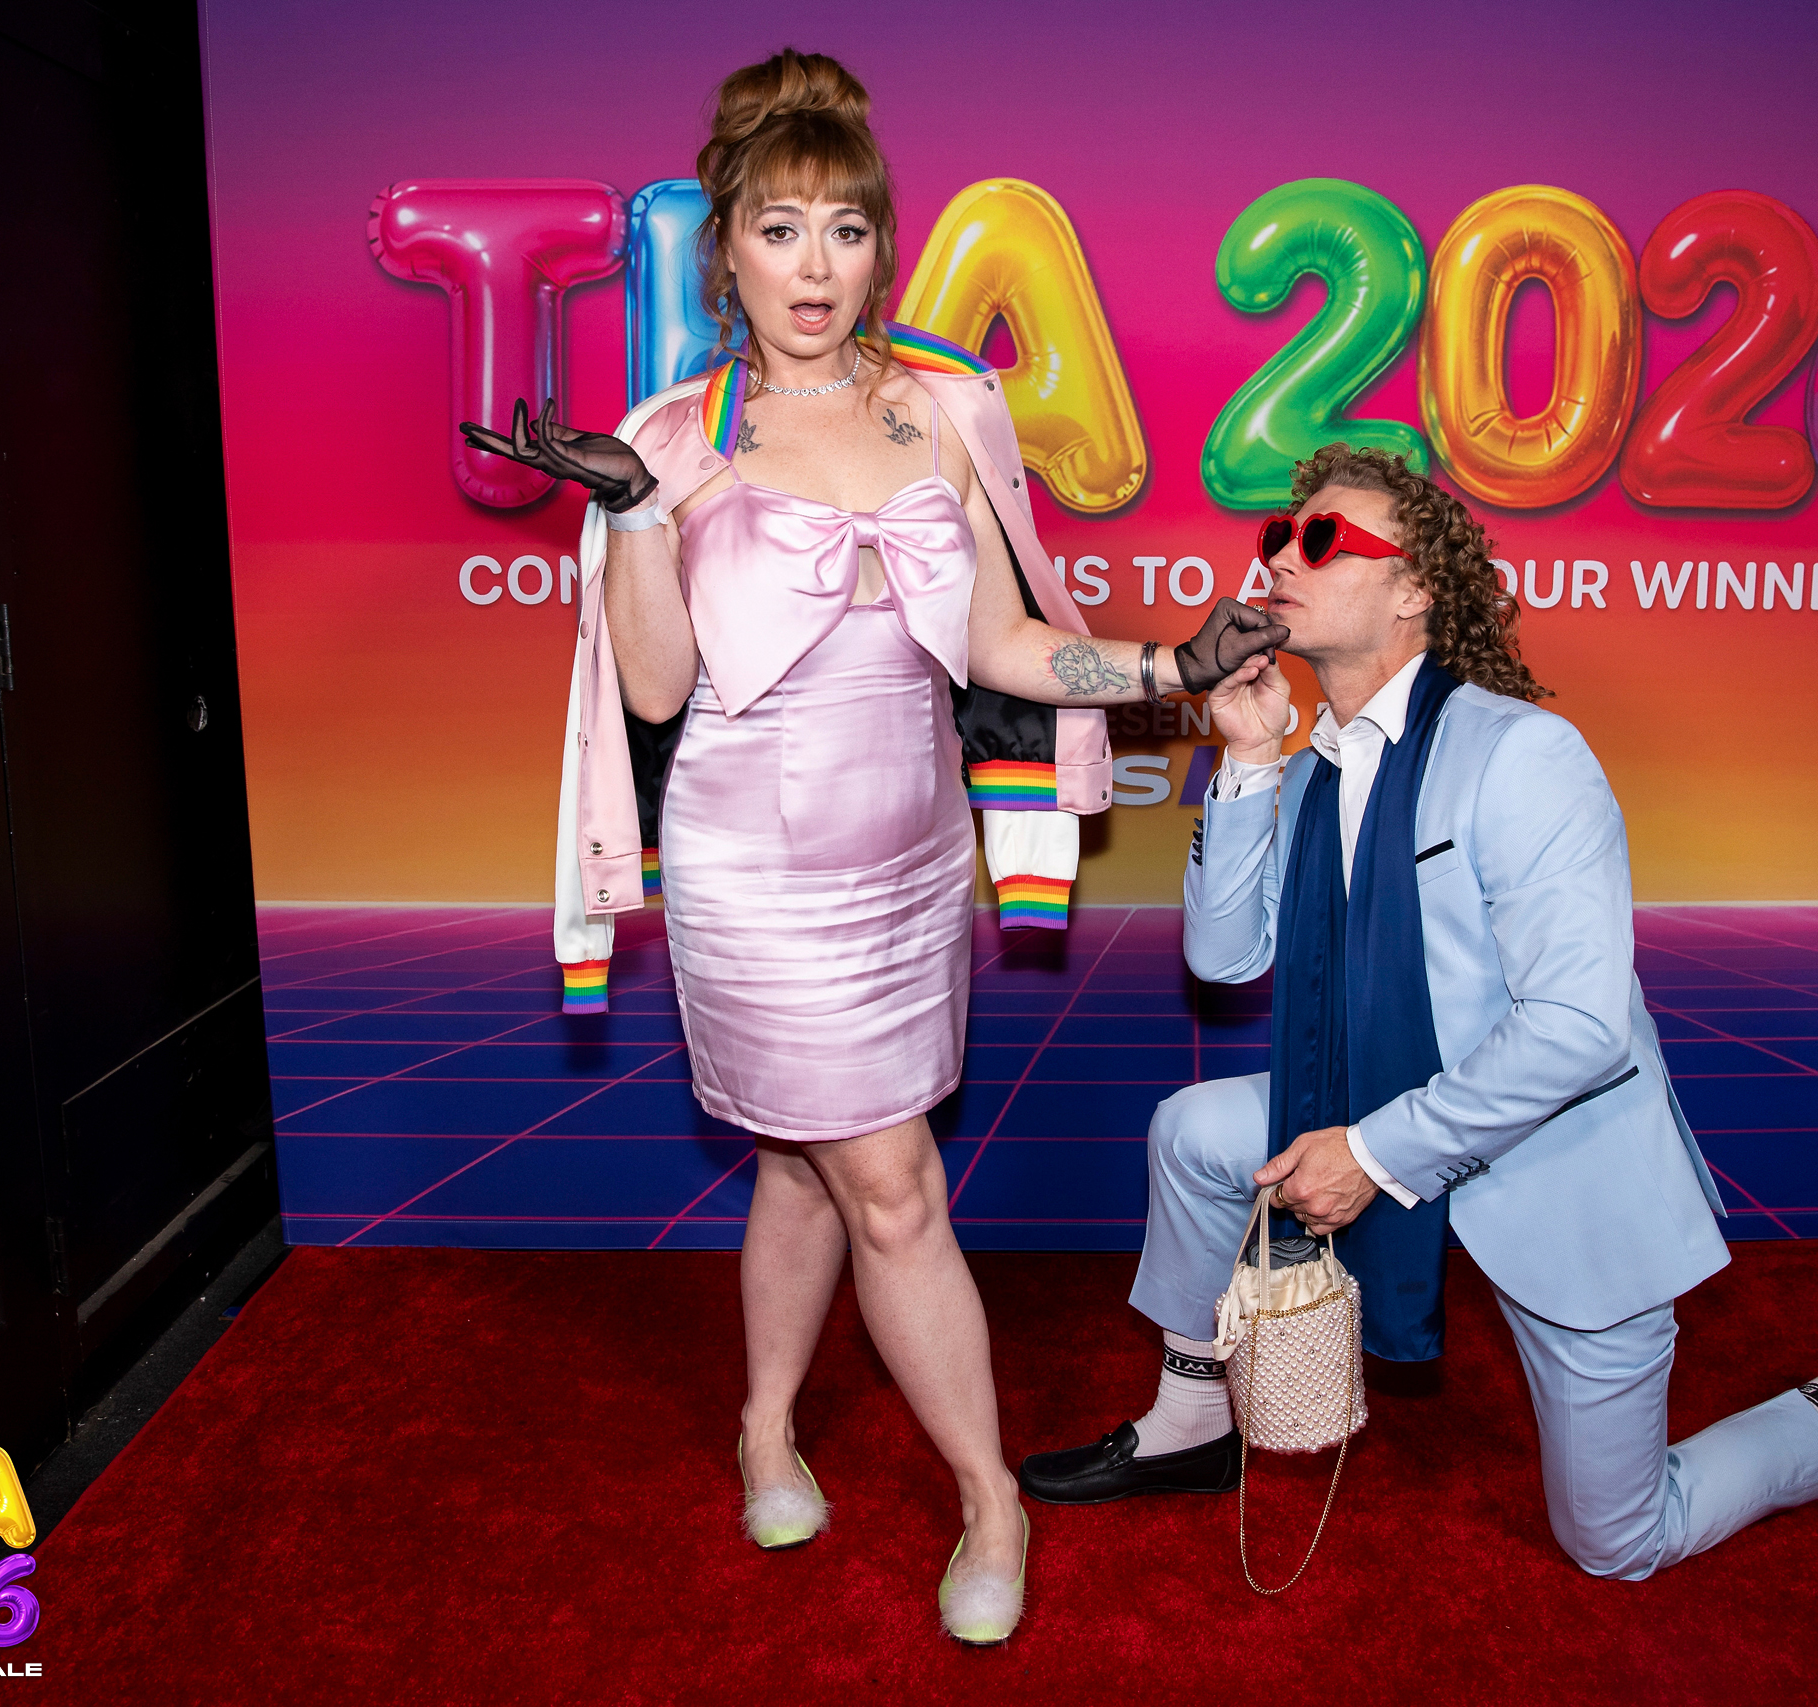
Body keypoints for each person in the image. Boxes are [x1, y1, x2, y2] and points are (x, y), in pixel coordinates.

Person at [463, 51, 1285, 1643]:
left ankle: (764, 1422)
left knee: (804, 1156)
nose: (815, 266)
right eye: (779, 230)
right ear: (726, 249)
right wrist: (633, 513)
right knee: (894, 1182)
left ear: (881, 246)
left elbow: (1001, 645)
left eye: (845, 230)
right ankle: (992, 1497)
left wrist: (1170, 667)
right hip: (753, 868)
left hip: (911, 865)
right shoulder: (672, 436)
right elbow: (655, 689)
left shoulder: (944, 406)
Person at [1018, 444, 1818, 1582]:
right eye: (1276, 537)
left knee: (1618, 1539)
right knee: (1191, 1129)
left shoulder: (1521, 754)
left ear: (1414, 588)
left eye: (1321, 539)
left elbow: (1577, 1029)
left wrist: (1373, 1152)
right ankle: (1191, 1421)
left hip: (1554, 1157)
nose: (1279, 559)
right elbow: (1224, 959)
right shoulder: (1309, 772)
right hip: (1381, 1102)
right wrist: (1251, 761)